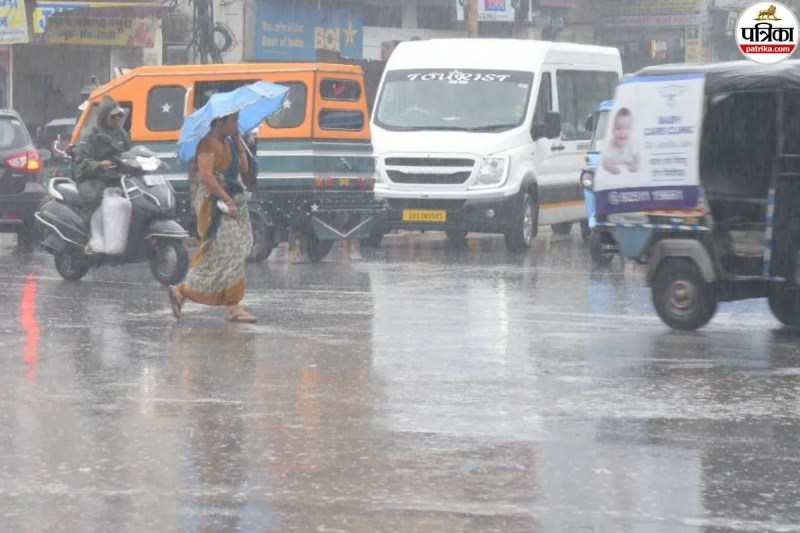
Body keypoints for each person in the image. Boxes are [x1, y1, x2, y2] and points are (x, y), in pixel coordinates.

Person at [168, 112, 257, 323]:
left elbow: (244, 168)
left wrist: (238, 141)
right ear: (220, 121)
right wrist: (227, 200)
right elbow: (207, 177)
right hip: (214, 203)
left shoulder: (229, 142)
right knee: (229, 248)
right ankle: (230, 305)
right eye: (233, 121)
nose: (236, 125)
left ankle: (188, 292)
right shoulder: (207, 145)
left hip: (232, 200)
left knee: (232, 251)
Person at [74, 96, 132, 214]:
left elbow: (131, 151)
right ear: (104, 117)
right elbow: (81, 163)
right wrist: (99, 165)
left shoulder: (121, 133)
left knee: (135, 194)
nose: (117, 119)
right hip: (92, 179)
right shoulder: (91, 134)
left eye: (119, 115)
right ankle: (91, 228)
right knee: (96, 198)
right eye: (113, 116)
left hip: (116, 177)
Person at [602, 107, 640, 175]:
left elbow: (638, 157)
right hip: (614, 179)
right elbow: (605, 162)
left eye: (626, 128)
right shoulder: (610, 145)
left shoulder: (632, 144)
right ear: (612, 131)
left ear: (632, 130)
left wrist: (635, 164)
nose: (622, 132)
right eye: (618, 128)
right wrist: (611, 167)